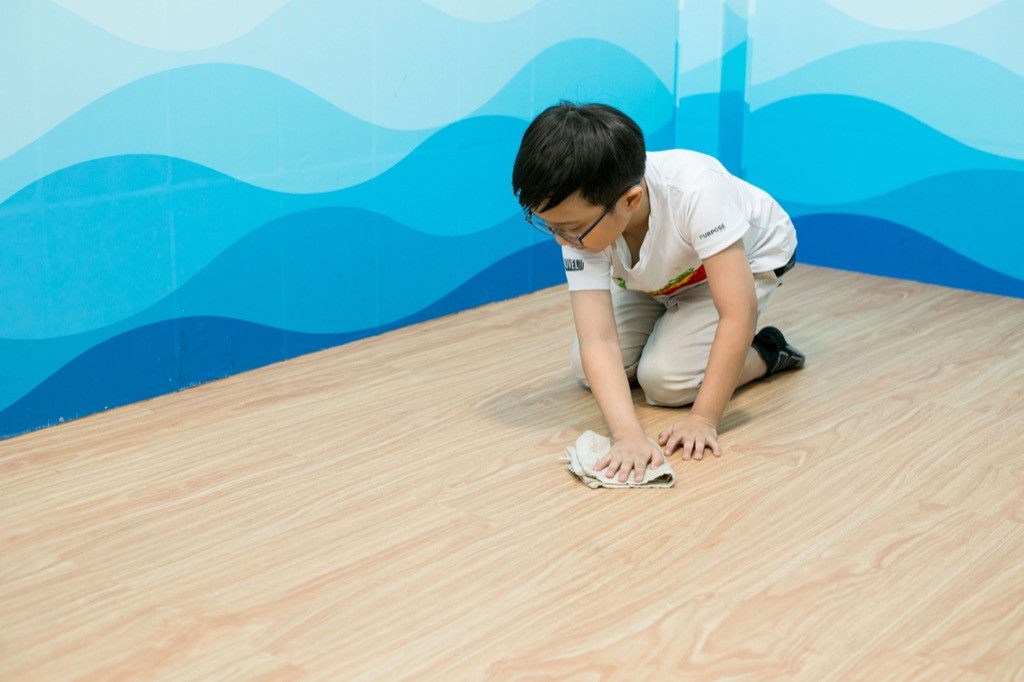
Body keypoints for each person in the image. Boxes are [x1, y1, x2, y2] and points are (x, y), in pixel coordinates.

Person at [511, 102, 805, 483]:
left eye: (569, 229)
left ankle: (766, 351)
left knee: (664, 381)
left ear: (630, 201)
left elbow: (738, 313)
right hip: (663, 279)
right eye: (549, 226)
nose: (561, 240)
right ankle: (674, 325)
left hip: (744, 264)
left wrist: (704, 418)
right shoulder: (581, 220)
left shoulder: (698, 190)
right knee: (585, 365)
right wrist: (627, 436)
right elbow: (597, 339)